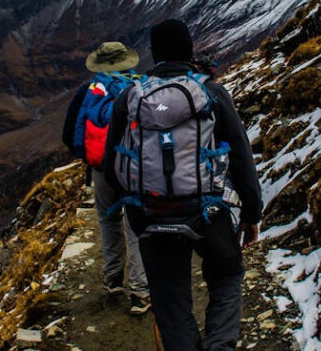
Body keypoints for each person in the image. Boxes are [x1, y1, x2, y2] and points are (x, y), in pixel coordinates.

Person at [103, 19, 263, 350]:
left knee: (171, 302)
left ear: (154, 54)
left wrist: (136, 208)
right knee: (226, 274)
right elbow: (240, 155)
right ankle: (220, 344)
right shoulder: (211, 93)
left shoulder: (131, 98)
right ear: (190, 51)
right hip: (206, 212)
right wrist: (251, 211)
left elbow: (111, 165)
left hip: (151, 214)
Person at [61, 41, 151, 315]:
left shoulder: (89, 91)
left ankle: (113, 279)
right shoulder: (142, 86)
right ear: (128, 62)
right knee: (136, 224)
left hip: (102, 168)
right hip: (135, 168)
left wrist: (90, 158)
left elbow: (69, 132)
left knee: (108, 219)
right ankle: (140, 291)